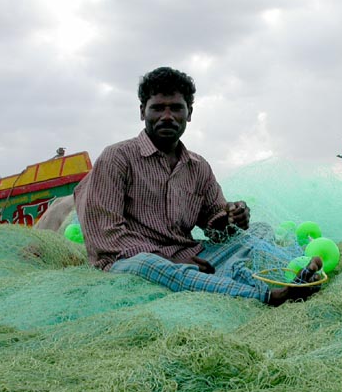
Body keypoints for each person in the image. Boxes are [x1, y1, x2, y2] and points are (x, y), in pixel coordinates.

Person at [74, 66, 322, 306]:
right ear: (142, 112)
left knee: (259, 232)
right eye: (158, 108)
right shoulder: (117, 158)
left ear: (189, 113)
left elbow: (214, 225)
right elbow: (105, 237)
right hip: (128, 262)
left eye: (176, 108)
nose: (167, 116)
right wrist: (171, 258)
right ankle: (270, 297)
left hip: (190, 257)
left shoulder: (198, 166)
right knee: (149, 265)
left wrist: (232, 218)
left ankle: (214, 279)